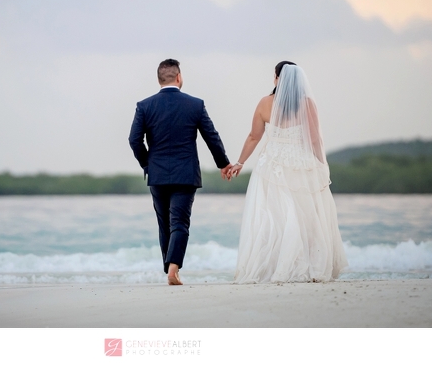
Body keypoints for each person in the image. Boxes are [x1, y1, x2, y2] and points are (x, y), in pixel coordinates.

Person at [227, 61, 348, 283]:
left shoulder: (265, 103)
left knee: (273, 218)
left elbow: (254, 136)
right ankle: (306, 266)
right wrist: (321, 165)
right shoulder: (307, 104)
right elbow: (314, 139)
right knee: (304, 218)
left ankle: (272, 268)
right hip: (301, 165)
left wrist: (240, 162)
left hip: (271, 167)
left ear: (276, 78)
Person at [129, 59, 233, 285]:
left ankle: (170, 268)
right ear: (178, 77)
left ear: (159, 79)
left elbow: (134, 140)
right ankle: (173, 269)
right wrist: (223, 163)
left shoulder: (145, 106)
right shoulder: (195, 105)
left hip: (157, 174)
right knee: (180, 223)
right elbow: (211, 136)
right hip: (186, 174)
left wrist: (148, 163)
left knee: (164, 224)